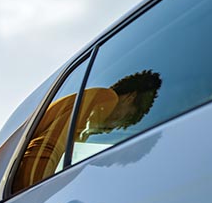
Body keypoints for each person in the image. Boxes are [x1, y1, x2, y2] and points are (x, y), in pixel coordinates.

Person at [13, 69, 162, 191]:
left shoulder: (86, 116)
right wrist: (32, 195)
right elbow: (46, 147)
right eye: (127, 117)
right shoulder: (107, 98)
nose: (112, 129)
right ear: (130, 97)